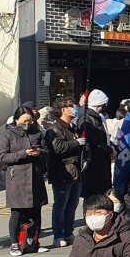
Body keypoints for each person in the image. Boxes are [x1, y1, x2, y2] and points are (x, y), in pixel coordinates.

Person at [0, 106, 51, 256]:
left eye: (30, 121)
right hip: (17, 178)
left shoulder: (37, 133)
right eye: (24, 121)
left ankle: (34, 242)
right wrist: (23, 153)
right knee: (17, 212)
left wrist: (39, 152)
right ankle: (14, 244)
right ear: (16, 120)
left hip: (35, 176)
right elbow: (3, 157)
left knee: (36, 212)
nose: (27, 124)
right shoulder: (8, 135)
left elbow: (47, 153)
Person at [45, 97, 84, 248]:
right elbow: (57, 147)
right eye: (70, 106)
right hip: (62, 172)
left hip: (76, 171)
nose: (73, 108)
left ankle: (69, 232)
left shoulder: (73, 127)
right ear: (62, 110)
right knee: (60, 205)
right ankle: (58, 234)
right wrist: (75, 143)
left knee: (72, 204)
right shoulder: (54, 129)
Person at [79, 90, 114, 202]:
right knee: (93, 195)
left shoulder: (100, 117)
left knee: (103, 193)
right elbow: (93, 143)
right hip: (94, 162)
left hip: (103, 161)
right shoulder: (86, 118)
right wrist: (109, 150)